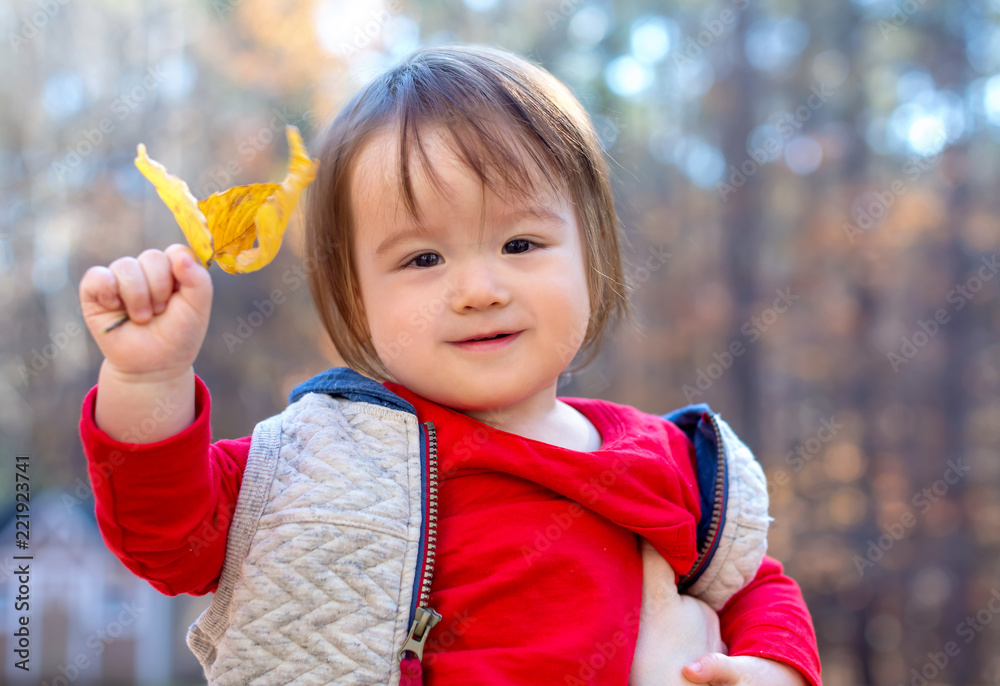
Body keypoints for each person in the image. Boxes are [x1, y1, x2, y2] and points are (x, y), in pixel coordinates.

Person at [77, 44, 821, 686]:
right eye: (423, 258)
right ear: (354, 295)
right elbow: (169, 538)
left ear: (592, 256)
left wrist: (773, 665)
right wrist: (147, 381)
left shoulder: (668, 463)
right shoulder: (312, 462)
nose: (479, 290)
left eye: (520, 245)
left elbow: (752, 582)